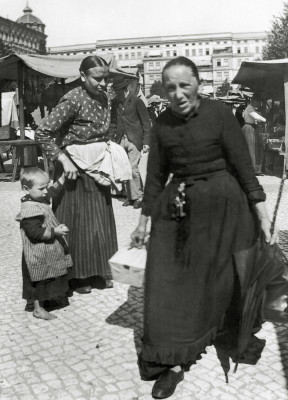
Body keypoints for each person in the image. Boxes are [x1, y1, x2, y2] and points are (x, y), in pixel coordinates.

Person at [131, 57, 278, 399]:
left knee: (229, 274)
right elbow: (154, 178)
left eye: (185, 85)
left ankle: (228, 331)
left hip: (225, 205)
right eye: (170, 87)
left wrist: (262, 213)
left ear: (198, 83)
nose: (178, 93)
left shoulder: (218, 114)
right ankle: (173, 360)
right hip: (181, 207)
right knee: (167, 276)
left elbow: (243, 166)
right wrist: (142, 221)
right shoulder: (163, 124)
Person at [35, 55, 118, 294]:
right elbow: (43, 133)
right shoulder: (72, 99)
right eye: (97, 79)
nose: (103, 83)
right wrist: (62, 159)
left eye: (106, 78)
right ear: (82, 76)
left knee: (100, 220)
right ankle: (77, 276)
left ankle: (98, 270)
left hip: (97, 167)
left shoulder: (105, 97)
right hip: (73, 169)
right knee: (78, 222)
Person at [16, 167, 72, 320]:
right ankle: (37, 308)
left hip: (45, 250)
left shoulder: (39, 197)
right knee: (37, 279)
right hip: (35, 253)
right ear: (26, 189)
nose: (46, 191)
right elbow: (34, 232)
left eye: (46, 186)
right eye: (41, 188)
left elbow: (52, 191)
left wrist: (62, 179)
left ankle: (45, 300)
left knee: (46, 276)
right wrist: (55, 231)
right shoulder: (29, 208)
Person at [110, 76, 151, 208]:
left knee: (132, 168)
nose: (116, 93)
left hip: (135, 139)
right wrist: (111, 138)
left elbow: (146, 123)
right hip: (120, 139)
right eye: (115, 91)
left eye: (118, 91)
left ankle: (138, 197)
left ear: (126, 89)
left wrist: (146, 142)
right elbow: (113, 122)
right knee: (123, 169)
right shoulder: (115, 102)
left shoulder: (137, 101)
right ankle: (130, 196)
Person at [242, 98, 266, 175]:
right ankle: (254, 169)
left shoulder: (251, 108)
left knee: (254, 148)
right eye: (258, 101)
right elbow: (259, 118)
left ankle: (255, 169)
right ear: (253, 101)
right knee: (252, 148)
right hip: (249, 128)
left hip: (251, 128)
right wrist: (264, 118)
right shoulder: (250, 109)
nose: (259, 103)